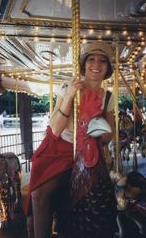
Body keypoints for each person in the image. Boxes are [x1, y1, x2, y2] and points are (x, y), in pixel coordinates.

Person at [26, 41, 117, 238]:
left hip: (87, 150)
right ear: (84, 64)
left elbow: (109, 136)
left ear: (108, 68)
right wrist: (69, 97)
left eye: (102, 61)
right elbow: (56, 129)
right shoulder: (68, 86)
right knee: (40, 194)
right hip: (58, 149)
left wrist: (94, 125)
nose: (96, 64)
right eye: (91, 59)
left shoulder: (108, 97)